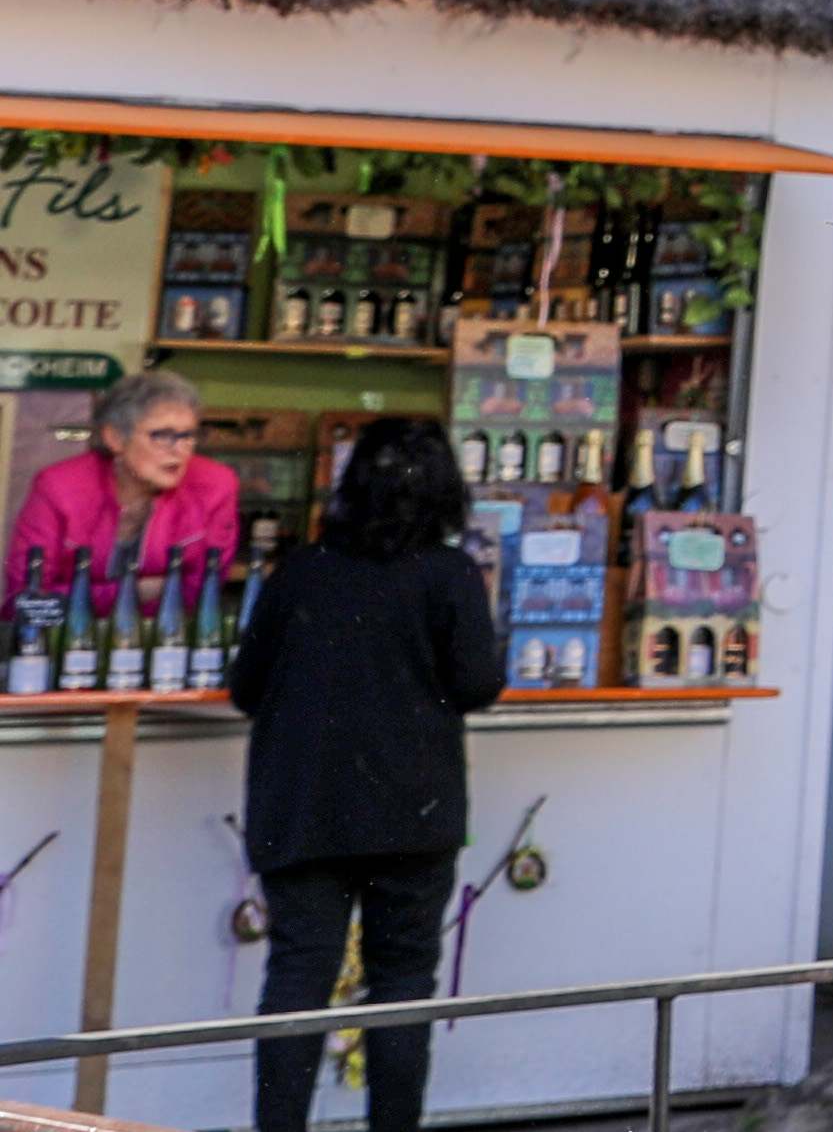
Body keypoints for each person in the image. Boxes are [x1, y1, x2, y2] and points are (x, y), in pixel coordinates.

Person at [229, 419, 504, 1132]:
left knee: (297, 975)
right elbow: (478, 682)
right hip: (416, 803)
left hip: (303, 802)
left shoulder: (299, 571)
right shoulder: (450, 574)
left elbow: (245, 686)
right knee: (405, 980)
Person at [12, 366, 240, 653]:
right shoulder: (59, 487)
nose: (180, 450)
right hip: (58, 646)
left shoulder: (216, 485)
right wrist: (136, 590)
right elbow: (27, 600)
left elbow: (202, 591)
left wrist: (88, 595)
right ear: (115, 438)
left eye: (188, 435)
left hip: (163, 646)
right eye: (163, 435)